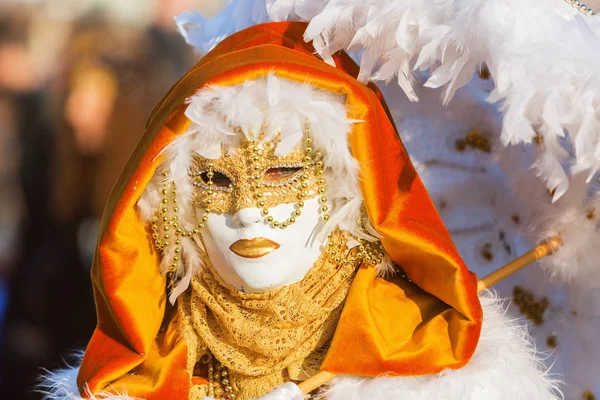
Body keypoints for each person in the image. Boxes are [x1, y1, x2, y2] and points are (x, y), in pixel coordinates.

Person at [40, 22, 559, 400]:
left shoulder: (447, 376)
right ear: (177, 211)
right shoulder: (134, 384)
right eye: (215, 181)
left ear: (348, 197)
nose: (248, 213)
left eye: (282, 174)